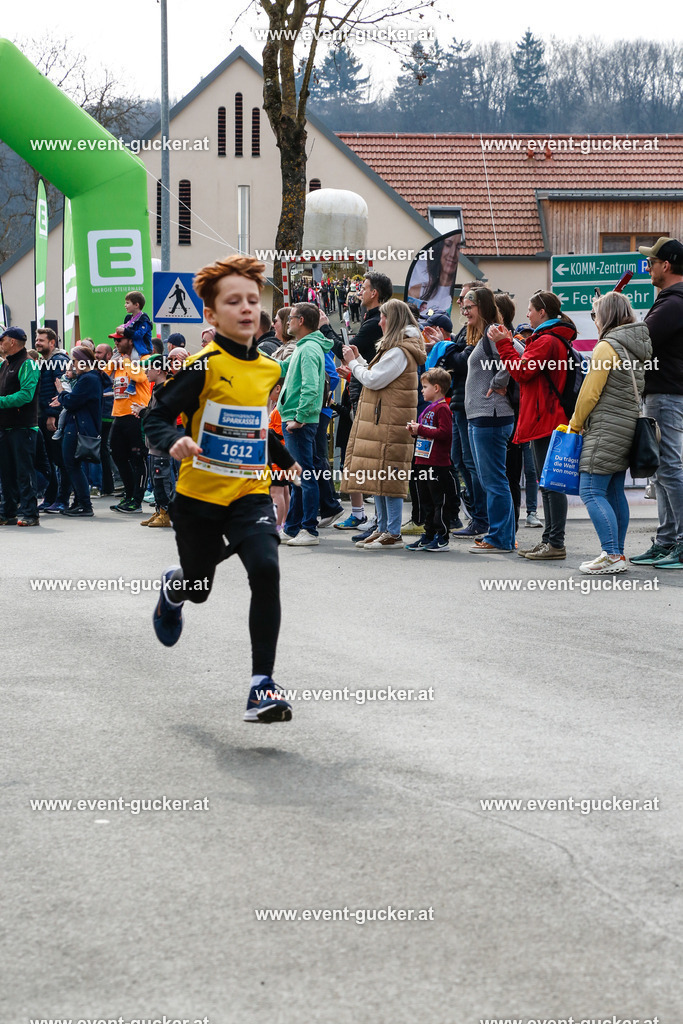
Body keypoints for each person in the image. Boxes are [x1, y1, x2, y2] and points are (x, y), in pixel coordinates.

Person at [143, 254, 301, 725]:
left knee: (266, 569)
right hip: (197, 498)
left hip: (249, 493)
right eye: (234, 301)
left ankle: (261, 687)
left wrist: (285, 460)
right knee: (199, 588)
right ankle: (175, 589)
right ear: (211, 315)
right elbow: (155, 417)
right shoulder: (201, 366)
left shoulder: (270, 370)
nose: (247, 308)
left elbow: (255, 426)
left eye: (253, 300)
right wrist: (175, 440)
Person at [563, 292, 652, 573]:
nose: (595, 320)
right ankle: (617, 553)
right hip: (624, 426)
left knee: (590, 490)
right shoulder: (632, 348)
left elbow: (590, 393)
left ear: (606, 316)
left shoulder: (606, 347)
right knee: (613, 492)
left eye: (595, 314)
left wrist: (575, 424)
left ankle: (611, 554)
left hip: (604, 428)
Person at [491, 290, 577, 561]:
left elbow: (521, 371)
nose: (526, 314)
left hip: (546, 419)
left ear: (542, 312)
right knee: (547, 483)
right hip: (548, 417)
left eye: (530, 309)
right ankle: (549, 541)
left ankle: (555, 542)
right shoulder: (552, 339)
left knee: (551, 484)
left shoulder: (546, 341)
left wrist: (504, 344)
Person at [342, 298, 426, 548]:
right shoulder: (395, 348)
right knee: (376, 475)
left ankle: (392, 531)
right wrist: (359, 362)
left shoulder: (400, 350)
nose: (380, 322)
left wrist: (353, 364)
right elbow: (378, 376)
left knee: (388, 477)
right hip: (383, 420)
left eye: (383, 317)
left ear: (394, 320)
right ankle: (383, 528)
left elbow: (374, 380)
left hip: (390, 421)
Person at [630, 237, 683, 569]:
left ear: (667, 265)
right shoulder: (672, 301)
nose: (647, 266)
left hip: (666, 393)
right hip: (665, 392)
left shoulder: (673, 303)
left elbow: (641, 342)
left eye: (651, 261)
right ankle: (666, 541)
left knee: (669, 468)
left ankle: (678, 542)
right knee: (664, 471)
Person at [331, 272, 393, 533]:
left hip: (364, 395)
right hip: (357, 390)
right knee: (349, 452)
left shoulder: (374, 321)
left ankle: (377, 520)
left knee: (360, 455)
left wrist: (324, 328)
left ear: (374, 293)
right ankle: (362, 515)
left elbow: (347, 352)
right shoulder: (370, 319)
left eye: (364, 287)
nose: (359, 291)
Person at [459, 286, 516, 553]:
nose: (465, 310)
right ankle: (501, 534)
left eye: (469, 306)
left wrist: (498, 382)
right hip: (481, 416)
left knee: (494, 481)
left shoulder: (494, 331)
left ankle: (500, 538)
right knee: (491, 480)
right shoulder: (485, 334)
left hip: (491, 415)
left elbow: (517, 350)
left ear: (481, 306)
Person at [277, 302, 332, 546]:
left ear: (301, 321)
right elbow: (285, 369)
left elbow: (311, 386)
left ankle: (309, 530)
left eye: (291, 317)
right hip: (295, 419)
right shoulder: (304, 347)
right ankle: (292, 528)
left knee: (305, 475)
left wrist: (299, 418)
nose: (288, 321)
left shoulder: (308, 349)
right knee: (298, 477)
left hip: (299, 421)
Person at [405, 367, 456, 551]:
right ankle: (428, 534)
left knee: (439, 502)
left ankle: (441, 536)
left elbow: (445, 433)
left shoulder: (442, 408)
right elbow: (425, 433)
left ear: (436, 388)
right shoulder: (428, 409)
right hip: (422, 462)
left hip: (437, 464)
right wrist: (414, 432)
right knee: (425, 501)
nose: (421, 390)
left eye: (424, 386)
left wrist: (421, 430)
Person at [49, 347, 103, 517]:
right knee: (74, 465)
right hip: (78, 425)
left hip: (78, 427)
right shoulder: (89, 378)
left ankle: (85, 504)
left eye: (74, 360)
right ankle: (79, 501)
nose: (72, 364)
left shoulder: (88, 379)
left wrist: (61, 394)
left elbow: (72, 401)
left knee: (71, 464)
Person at [106, 332, 151, 513]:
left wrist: (124, 360)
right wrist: (114, 362)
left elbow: (140, 377)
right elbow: (102, 374)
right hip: (119, 415)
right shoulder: (118, 360)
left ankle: (137, 500)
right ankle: (129, 494)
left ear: (130, 341)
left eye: (119, 340)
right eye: (114, 340)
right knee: (117, 455)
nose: (116, 343)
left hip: (136, 415)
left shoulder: (142, 358)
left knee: (138, 458)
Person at [0, 327, 40, 526]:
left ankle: (30, 514)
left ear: (12, 342)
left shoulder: (29, 364)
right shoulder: (5, 364)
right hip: (5, 427)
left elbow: (26, 395)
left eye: (3, 340)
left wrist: (0, 401)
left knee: (24, 472)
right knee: (5, 473)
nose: (1, 343)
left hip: (23, 427)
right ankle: (7, 512)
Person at [34, 326, 70, 512]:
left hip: (53, 419)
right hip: (43, 417)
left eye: (41, 340)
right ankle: (51, 497)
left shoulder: (58, 361)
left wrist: (51, 415)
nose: (37, 342)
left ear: (52, 342)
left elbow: (60, 391)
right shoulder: (46, 361)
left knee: (61, 460)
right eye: (36, 339)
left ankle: (63, 499)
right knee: (50, 460)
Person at [136, 354, 174, 527]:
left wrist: (143, 412)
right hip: (153, 443)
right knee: (156, 478)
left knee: (162, 478)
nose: (146, 372)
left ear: (158, 370)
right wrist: (144, 410)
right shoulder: (157, 388)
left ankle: (166, 514)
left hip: (162, 442)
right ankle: (159, 510)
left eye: (149, 368)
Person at [407, 232, 462, 314]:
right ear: (438, 249)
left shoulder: (460, 295)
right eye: (448, 245)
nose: (453, 254)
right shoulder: (415, 292)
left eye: (458, 247)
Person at [94, 343, 116, 495]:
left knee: (102, 450)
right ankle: (106, 486)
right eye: (95, 352)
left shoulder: (110, 370)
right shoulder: (100, 370)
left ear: (108, 355)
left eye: (99, 353)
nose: (96, 355)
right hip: (102, 414)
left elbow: (109, 391)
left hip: (106, 415)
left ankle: (106, 486)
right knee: (101, 450)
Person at [112, 291, 153, 360]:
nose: (125, 305)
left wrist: (125, 331)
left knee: (134, 359)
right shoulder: (128, 318)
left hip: (140, 350)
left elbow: (139, 334)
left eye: (127, 303)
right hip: (129, 347)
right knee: (114, 359)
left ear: (136, 305)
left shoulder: (144, 320)